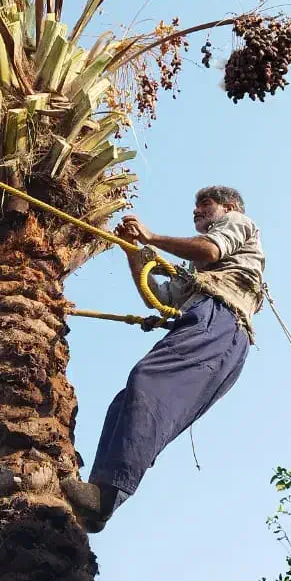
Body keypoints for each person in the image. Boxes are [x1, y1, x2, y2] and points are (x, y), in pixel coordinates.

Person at [62, 185, 265, 531]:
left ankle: (108, 496)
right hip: (208, 323)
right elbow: (159, 295)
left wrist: (150, 237)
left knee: (148, 382)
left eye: (204, 204)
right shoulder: (196, 266)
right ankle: (98, 498)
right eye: (195, 205)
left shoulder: (237, 221)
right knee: (126, 401)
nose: (196, 211)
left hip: (221, 318)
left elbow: (211, 249)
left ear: (228, 206)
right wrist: (132, 252)